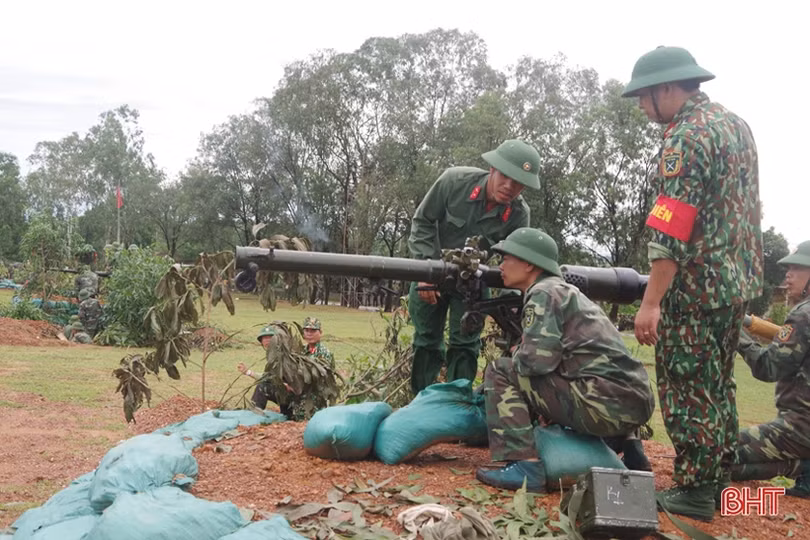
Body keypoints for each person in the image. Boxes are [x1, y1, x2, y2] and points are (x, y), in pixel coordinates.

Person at [622, 46, 764, 521]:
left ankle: (696, 491)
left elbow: (671, 225)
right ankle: (718, 480)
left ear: (667, 88)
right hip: (736, 283)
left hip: (697, 289)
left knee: (687, 385)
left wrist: (651, 302)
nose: (643, 108)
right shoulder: (734, 125)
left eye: (644, 97)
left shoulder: (685, 137)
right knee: (718, 384)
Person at [475, 228, 655, 492]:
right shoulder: (567, 292)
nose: (500, 265)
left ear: (528, 263)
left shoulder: (543, 293)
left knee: (501, 371)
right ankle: (630, 448)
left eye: (506, 257)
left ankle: (525, 466)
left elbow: (536, 362)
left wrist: (516, 352)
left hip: (604, 405)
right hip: (635, 402)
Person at [407, 139, 541, 395]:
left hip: (474, 282)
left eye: (519, 183)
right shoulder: (453, 182)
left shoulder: (519, 214)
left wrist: (512, 312)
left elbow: (515, 262)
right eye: (505, 176)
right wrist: (425, 272)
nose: (510, 187)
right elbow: (423, 221)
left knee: (466, 345)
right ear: (492, 169)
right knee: (426, 341)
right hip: (432, 273)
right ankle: (419, 403)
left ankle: (458, 404)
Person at [731, 241, 810, 499]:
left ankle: (804, 467)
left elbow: (768, 367)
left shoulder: (802, 315)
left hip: (800, 428)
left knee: (715, 453)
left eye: (797, 268)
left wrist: (736, 334)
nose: (788, 274)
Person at [237, 325, 295, 416]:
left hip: (293, 395)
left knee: (262, 387)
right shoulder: (272, 355)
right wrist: (248, 372)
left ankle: (254, 414)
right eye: (264, 338)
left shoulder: (282, 354)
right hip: (283, 392)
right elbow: (268, 377)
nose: (267, 340)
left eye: (270, 337)